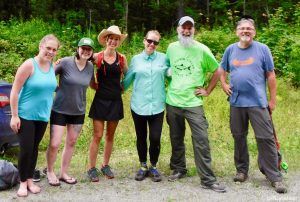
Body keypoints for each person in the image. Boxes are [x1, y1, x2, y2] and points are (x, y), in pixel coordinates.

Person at [219, 17, 287, 194]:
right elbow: (222, 70)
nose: (245, 31)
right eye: (242, 28)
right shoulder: (230, 50)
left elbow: (271, 75)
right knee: (239, 137)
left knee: (265, 138)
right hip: (236, 103)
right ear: (236, 32)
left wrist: (272, 101)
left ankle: (274, 176)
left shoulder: (262, 49)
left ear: (254, 32)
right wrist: (224, 84)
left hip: (258, 102)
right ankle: (242, 171)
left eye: (249, 28)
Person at [165, 16, 226, 193]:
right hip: (173, 101)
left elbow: (217, 70)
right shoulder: (171, 48)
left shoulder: (202, 50)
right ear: (177, 29)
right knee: (176, 137)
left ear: (194, 30)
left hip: (193, 103)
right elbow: (168, 68)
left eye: (189, 28)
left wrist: (207, 90)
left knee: (201, 139)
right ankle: (179, 169)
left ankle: (207, 179)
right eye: (183, 27)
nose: (186, 31)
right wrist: (169, 79)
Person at [10, 34, 59, 197]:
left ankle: (30, 179)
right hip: (25, 115)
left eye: (54, 49)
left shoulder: (52, 65)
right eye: (48, 48)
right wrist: (14, 116)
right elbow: (15, 91)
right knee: (25, 149)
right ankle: (22, 183)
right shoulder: (29, 65)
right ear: (40, 47)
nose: (51, 52)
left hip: (42, 116)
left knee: (34, 148)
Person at [45, 38, 95, 186]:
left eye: (89, 49)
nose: (86, 51)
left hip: (78, 110)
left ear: (92, 52)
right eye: (83, 48)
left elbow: (92, 84)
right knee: (54, 144)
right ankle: (49, 171)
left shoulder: (91, 66)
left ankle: (64, 173)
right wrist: (56, 89)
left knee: (71, 142)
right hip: (60, 109)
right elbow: (46, 76)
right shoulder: (65, 62)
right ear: (78, 49)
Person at [123, 30, 168, 182]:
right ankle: (143, 166)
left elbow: (173, 75)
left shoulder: (164, 58)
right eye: (150, 41)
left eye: (155, 42)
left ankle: (153, 166)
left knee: (155, 138)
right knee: (141, 137)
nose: (152, 44)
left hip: (157, 106)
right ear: (144, 40)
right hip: (139, 106)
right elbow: (127, 80)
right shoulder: (135, 59)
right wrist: (111, 91)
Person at [87, 25, 128, 182]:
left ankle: (105, 165)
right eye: (111, 38)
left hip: (115, 100)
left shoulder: (122, 58)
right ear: (105, 40)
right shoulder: (97, 57)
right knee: (97, 135)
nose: (113, 41)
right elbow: (82, 61)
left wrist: (122, 88)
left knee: (110, 135)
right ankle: (91, 168)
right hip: (100, 100)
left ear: (119, 42)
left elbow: (128, 75)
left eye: (116, 39)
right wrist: (93, 85)